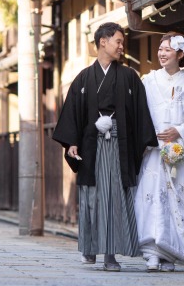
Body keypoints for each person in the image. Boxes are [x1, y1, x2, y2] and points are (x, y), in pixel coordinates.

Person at [52, 22, 158, 271]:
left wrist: (140, 143)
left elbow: (140, 113)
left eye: (122, 42)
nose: (122, 46)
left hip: (118, 143)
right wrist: (73, 142)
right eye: (118, 41)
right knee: (92, 196)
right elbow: (72, 113)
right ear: (103, 42)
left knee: (114, 197)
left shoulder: (129, 76)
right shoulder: (84, 78)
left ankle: (110, 255)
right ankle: (89, 247)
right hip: (91, 143)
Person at [134, 32, 184, 272]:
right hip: (154, 150)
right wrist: (149, 137)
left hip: (178, 150)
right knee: (152, 197)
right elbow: (140, 112)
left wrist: (178, 130)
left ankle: (170, 253)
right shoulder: (148, 80)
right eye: (160, 48)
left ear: (180, 54)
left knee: (176, 199)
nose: (161, 53)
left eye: (167, 49)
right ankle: (151, 252)